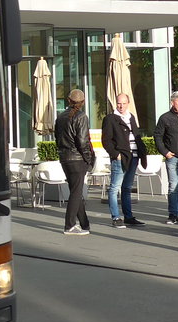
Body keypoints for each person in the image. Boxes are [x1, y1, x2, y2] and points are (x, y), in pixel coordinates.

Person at [102, 93, 149, 229]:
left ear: (128, 103)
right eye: (118, 103)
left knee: (127, 188)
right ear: (115, 104)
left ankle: (128, 216)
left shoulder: (131, 117)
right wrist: (115, 154)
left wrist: (141, 151)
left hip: (133, 157)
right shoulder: (110, 119)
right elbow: (106, 140)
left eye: (123, 103)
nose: (121, 106)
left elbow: (136, 135)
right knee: (114, 187)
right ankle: (116, 217)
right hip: (121, 157)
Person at [55, 89, 94, 235]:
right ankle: (69, 225)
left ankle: (84, 224)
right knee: (76, 192)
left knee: (75, 191)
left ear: (68, 100)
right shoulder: (81, 116)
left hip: (64, 158)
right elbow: (83, 141)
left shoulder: (60, 117)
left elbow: (57, 138)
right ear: (82, 102)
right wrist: (88, 158)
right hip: (77, 159)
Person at [154, 90, 178, 224]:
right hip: (173, 157)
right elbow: (158, 136)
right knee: (173, 186)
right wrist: (165, 152)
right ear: (172, 102)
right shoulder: (165, 118)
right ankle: (173, 214)